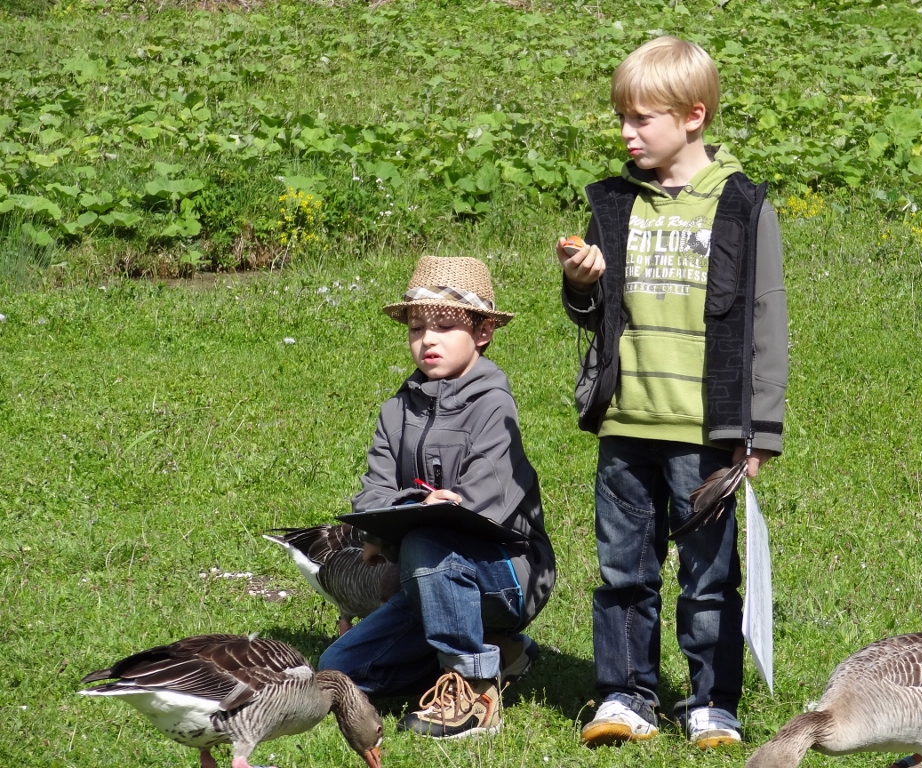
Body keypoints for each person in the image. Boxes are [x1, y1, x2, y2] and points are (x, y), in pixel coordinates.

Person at [555, 36, 788, 748]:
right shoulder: (613, 205)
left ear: (693, 115)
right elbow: (591, 318)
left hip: (708, 432)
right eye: (621, 118)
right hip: (627, 423)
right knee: (624, 572)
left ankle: (712, 703)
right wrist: (581, 286)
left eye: (641, 119)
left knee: (710, 579)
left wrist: (760, 432)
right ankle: (626, 697)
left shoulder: (745, 206)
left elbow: (766, 319)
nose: (626, 133)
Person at [319, 255, 556, 740]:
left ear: (484, 331)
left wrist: (416, 521)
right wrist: (415, 509)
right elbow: (372, 498)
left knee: (429, 543)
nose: (428, 340)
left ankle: (473, 686)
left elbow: (484, 503)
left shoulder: (494, 405)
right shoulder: (395, 410)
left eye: (446, 327)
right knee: (338, 670)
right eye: (417, 327)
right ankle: (501, 651)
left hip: (507, 574)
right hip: (426, 576)